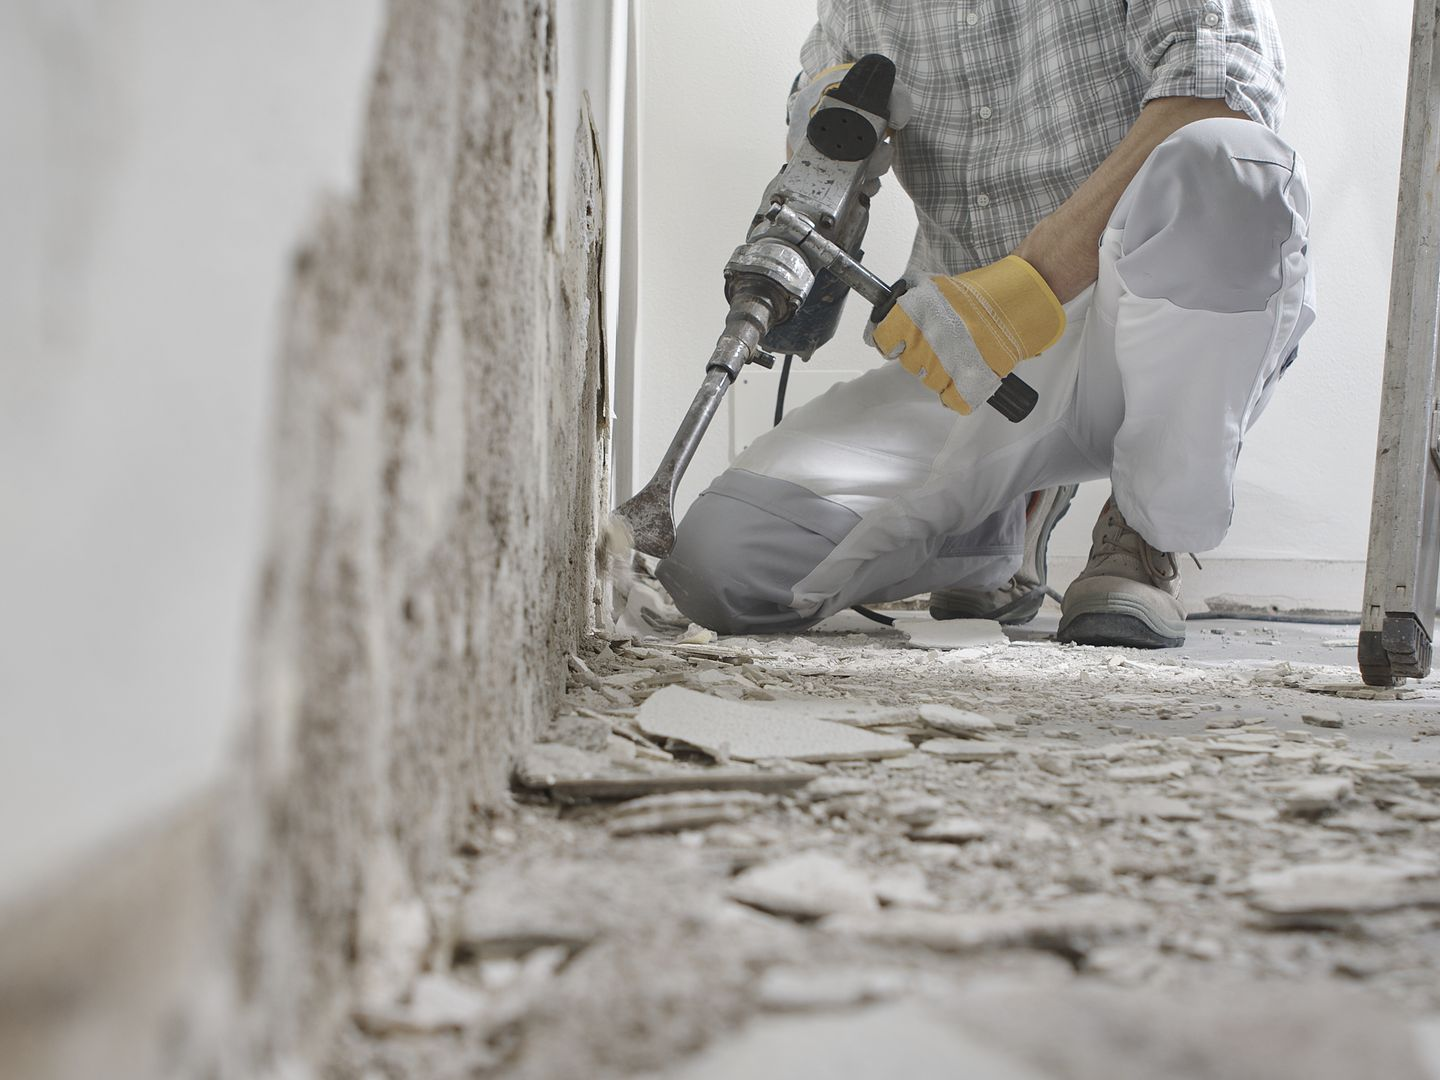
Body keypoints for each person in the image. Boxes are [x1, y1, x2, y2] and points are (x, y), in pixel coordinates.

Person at [656, 0, 1315, 649]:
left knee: (1232, 160)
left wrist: (1021, 290)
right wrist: (824, 148)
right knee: (721, 567)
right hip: (969, 362)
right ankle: (997, 522)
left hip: (1147, 325)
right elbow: (818, 168)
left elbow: (1223, 93)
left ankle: (1144, 530)